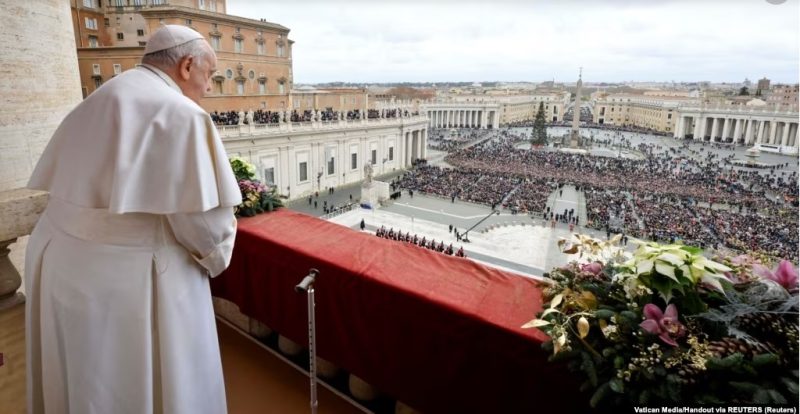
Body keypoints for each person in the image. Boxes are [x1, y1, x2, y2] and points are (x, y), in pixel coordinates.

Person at [24, 26, 239, 414]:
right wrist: (219, 253)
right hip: (129, 284)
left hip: (64, 266)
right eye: (209, 75)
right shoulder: (181, 114)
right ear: (187, 65)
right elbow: (203, 226)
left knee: (83, 379)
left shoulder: (98, 98)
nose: (209, 87)